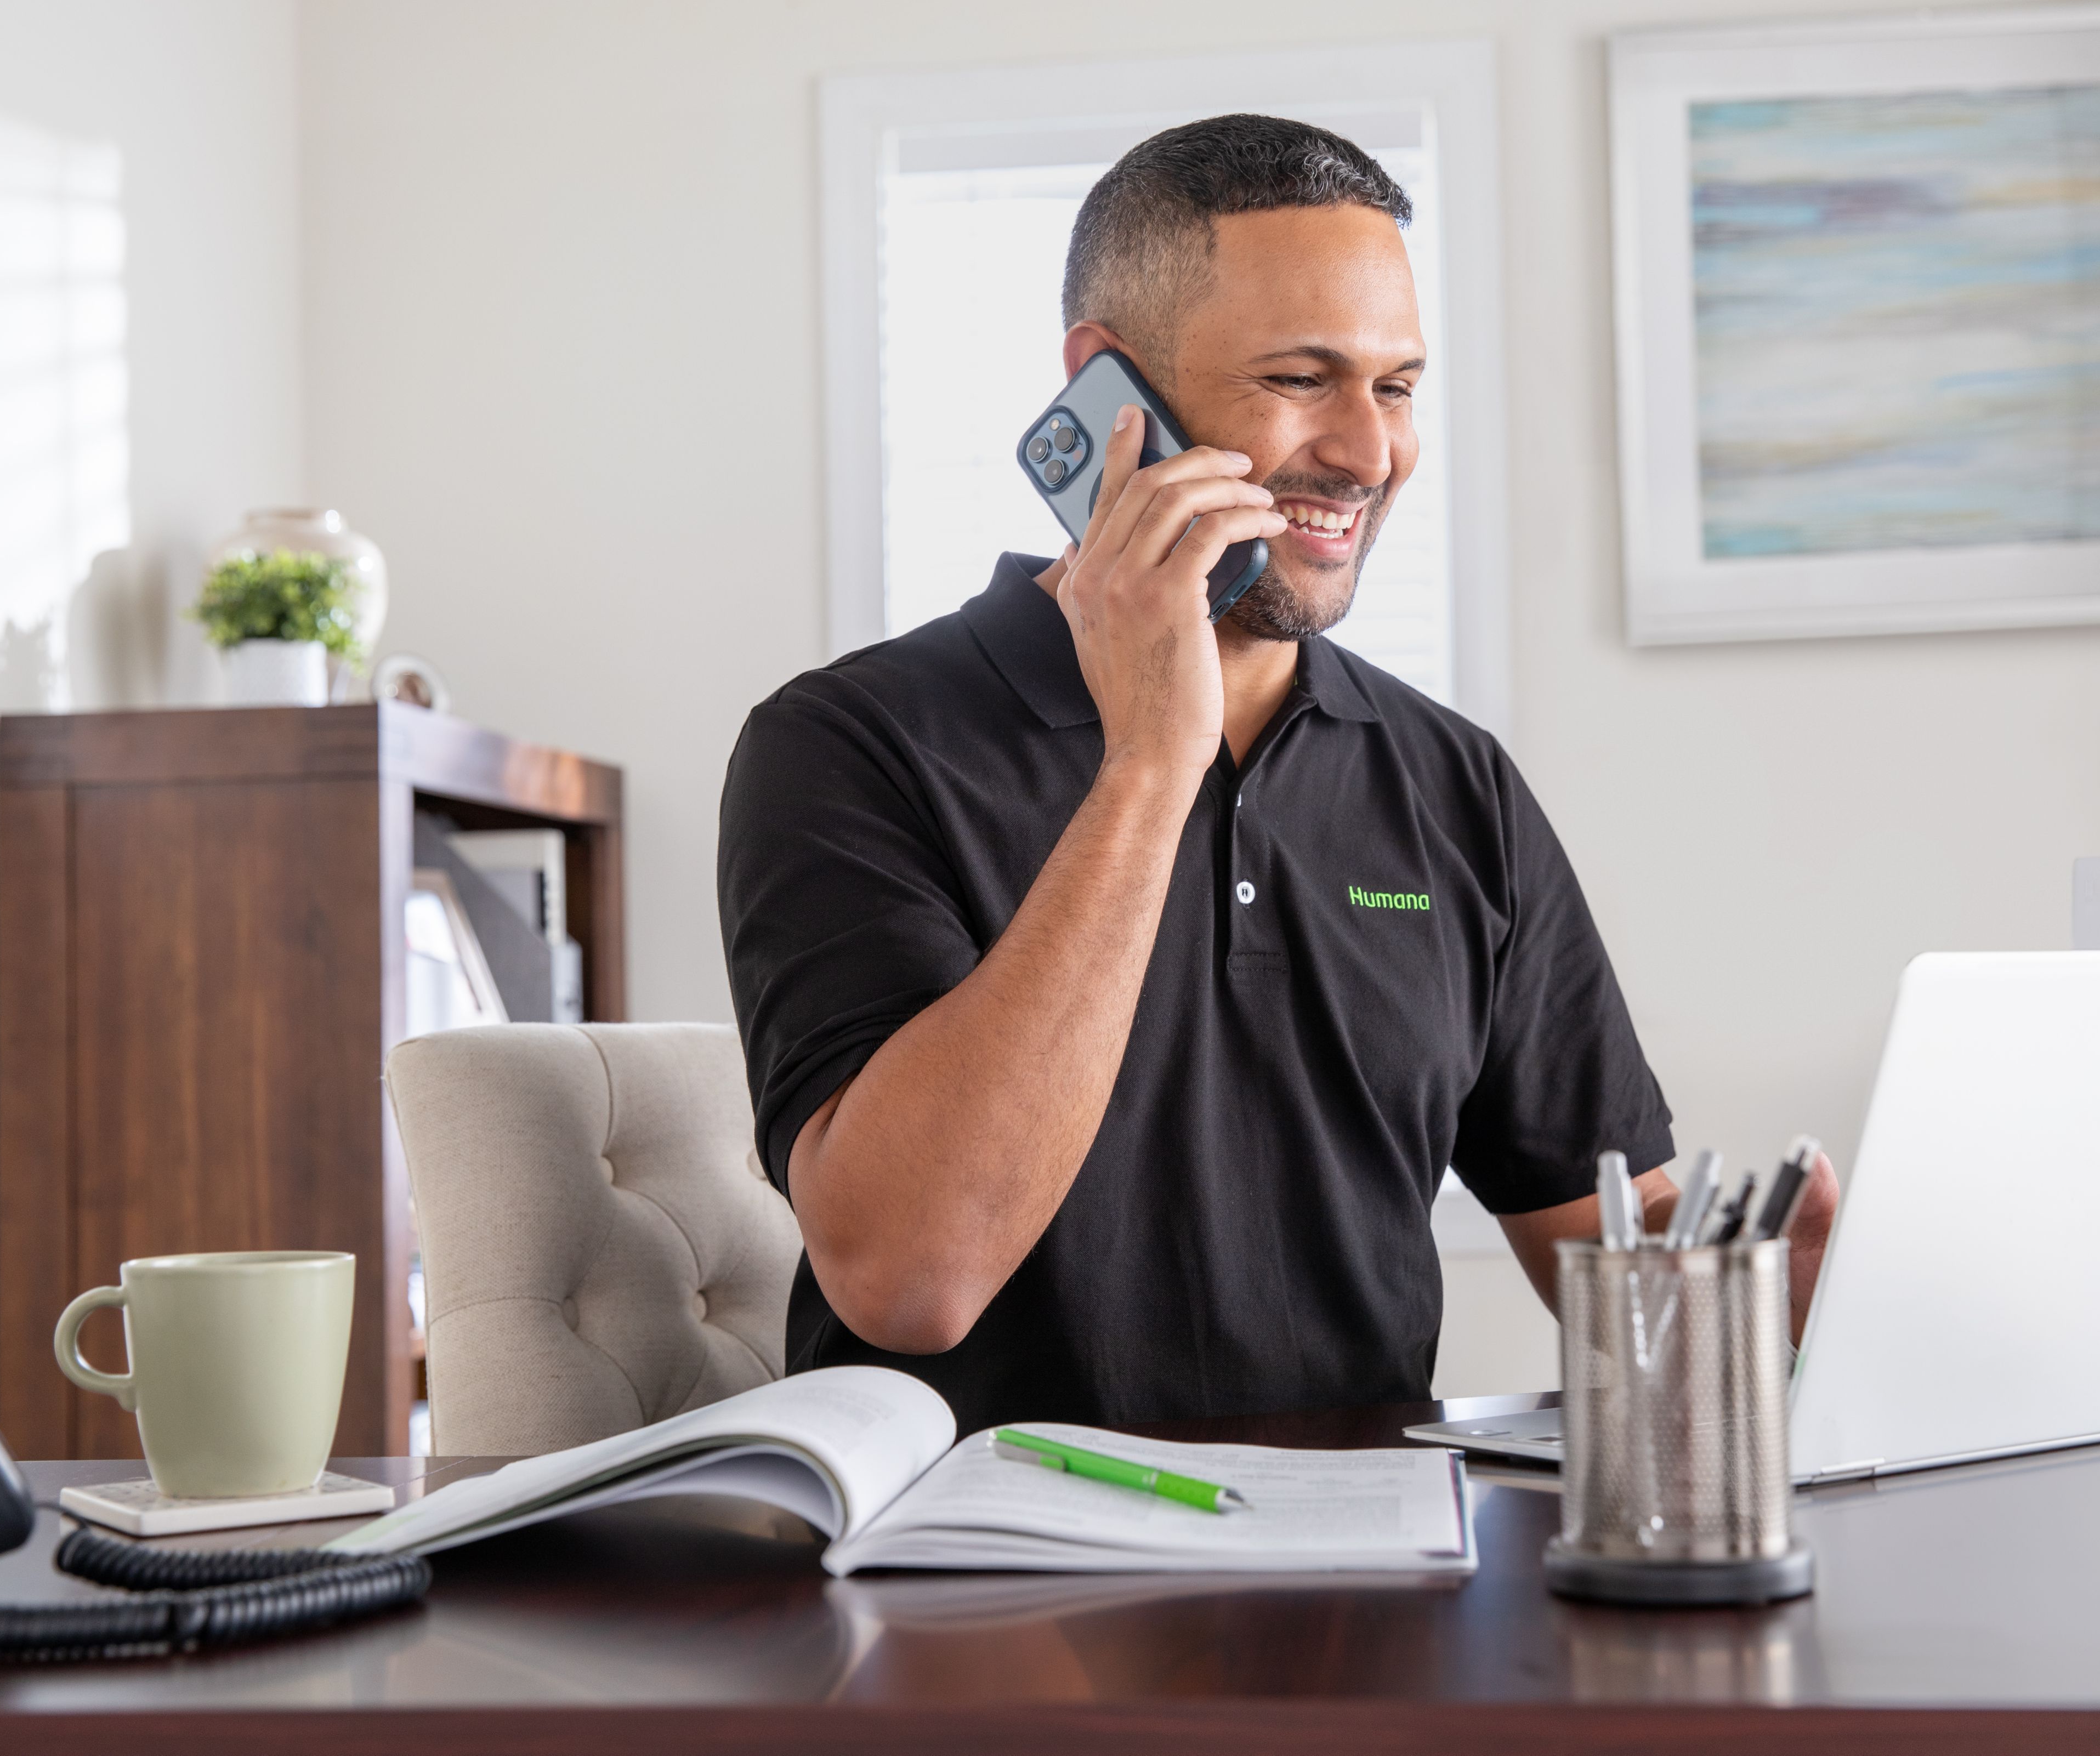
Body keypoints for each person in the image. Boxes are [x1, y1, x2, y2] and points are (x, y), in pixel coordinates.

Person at [720, 114, 1838, 1433]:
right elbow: (912, 1277)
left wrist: (1774, 1296)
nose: (1370, 454)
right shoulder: (850, 743)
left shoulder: (1449, 784)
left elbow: (1611, 1251)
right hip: (974, 1587)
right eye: (1305, 378)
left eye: (1398, 386)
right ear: (1108, 387)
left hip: (1369, 1581)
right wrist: (1149, 763)